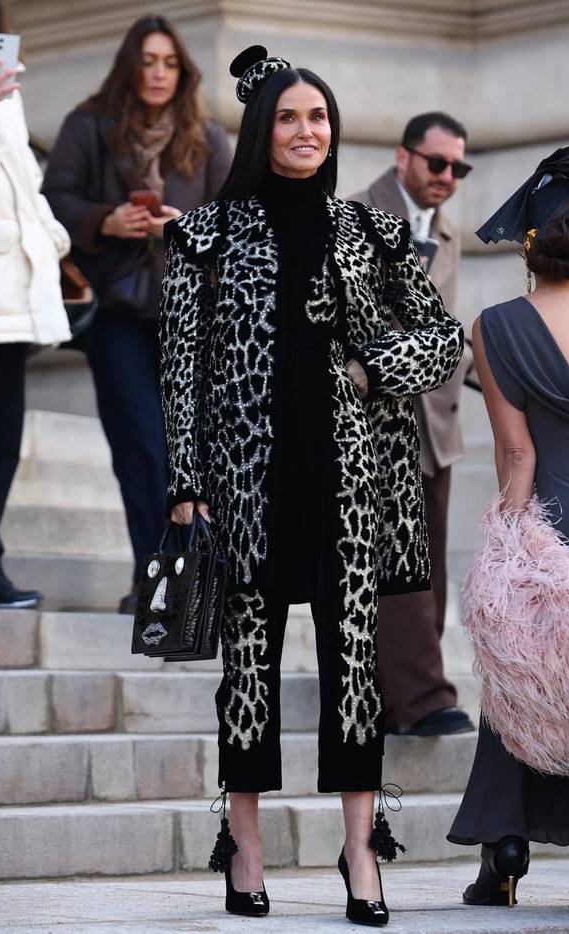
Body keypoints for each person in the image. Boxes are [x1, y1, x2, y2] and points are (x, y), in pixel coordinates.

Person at [161, 46, 463, 925]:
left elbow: (444, 338)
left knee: (356, 673)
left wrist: (375, 367)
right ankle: (245, 848)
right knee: (246, 676)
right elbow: (180, 371)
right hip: (245, 492)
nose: (306, 131)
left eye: (319, 118)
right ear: (264, 129)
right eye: (289, 117)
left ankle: (361, 854)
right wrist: (186, 483)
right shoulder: (205, 237)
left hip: (350, 493)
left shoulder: (369, 231)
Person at [448, 146, 569, 916]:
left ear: (528, 244)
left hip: (548, 519)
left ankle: (504, 853)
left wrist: (504, 554)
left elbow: (517, 456)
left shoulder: (495, 326)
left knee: (526, 679)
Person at [43, 15, 232, 613]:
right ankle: (155, 583)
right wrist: (106, 219)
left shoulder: (207, 133)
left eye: (169, 62)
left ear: (183, 70)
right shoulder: (89, 125)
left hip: (190, 316)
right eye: (148, 61)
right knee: (140, 449)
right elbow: (53, 201)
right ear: (131, 65)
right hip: (119, 315)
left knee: (194, 454)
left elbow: (240, 218)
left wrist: (187, 228)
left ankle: (197, 581)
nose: (158, 73)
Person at [352, 113, 474, 736]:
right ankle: (423, 698)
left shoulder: (448, 231)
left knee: (429, 565)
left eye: (459, 168)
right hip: (377, 421)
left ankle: (396, 698)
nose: (447, 177)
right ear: (403, 159)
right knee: (394, 562)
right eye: (437, 163)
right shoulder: (355, 217)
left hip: (439, 424)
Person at [0, 0, 72, 608]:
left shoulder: (6, 89)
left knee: (2, 441)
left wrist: (51, 239)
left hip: (14, 297)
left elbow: (24, 180)